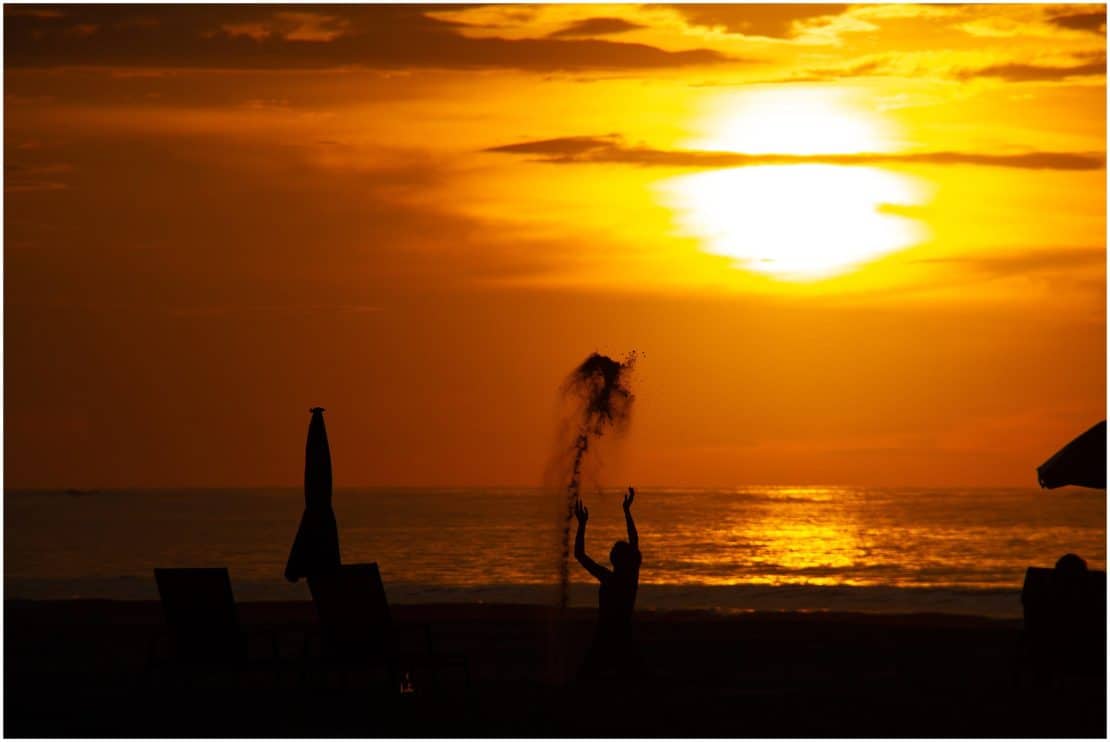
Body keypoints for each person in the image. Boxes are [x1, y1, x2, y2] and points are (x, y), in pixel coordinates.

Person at [573, 486, 642, 681]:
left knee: (592, 674)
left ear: (614, 559)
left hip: (606, 634)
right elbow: (635, 541)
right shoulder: (630, 577)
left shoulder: (609, 578)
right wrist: (627, 511)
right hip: (621, 634)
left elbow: (579, 555)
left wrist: (582, 524)